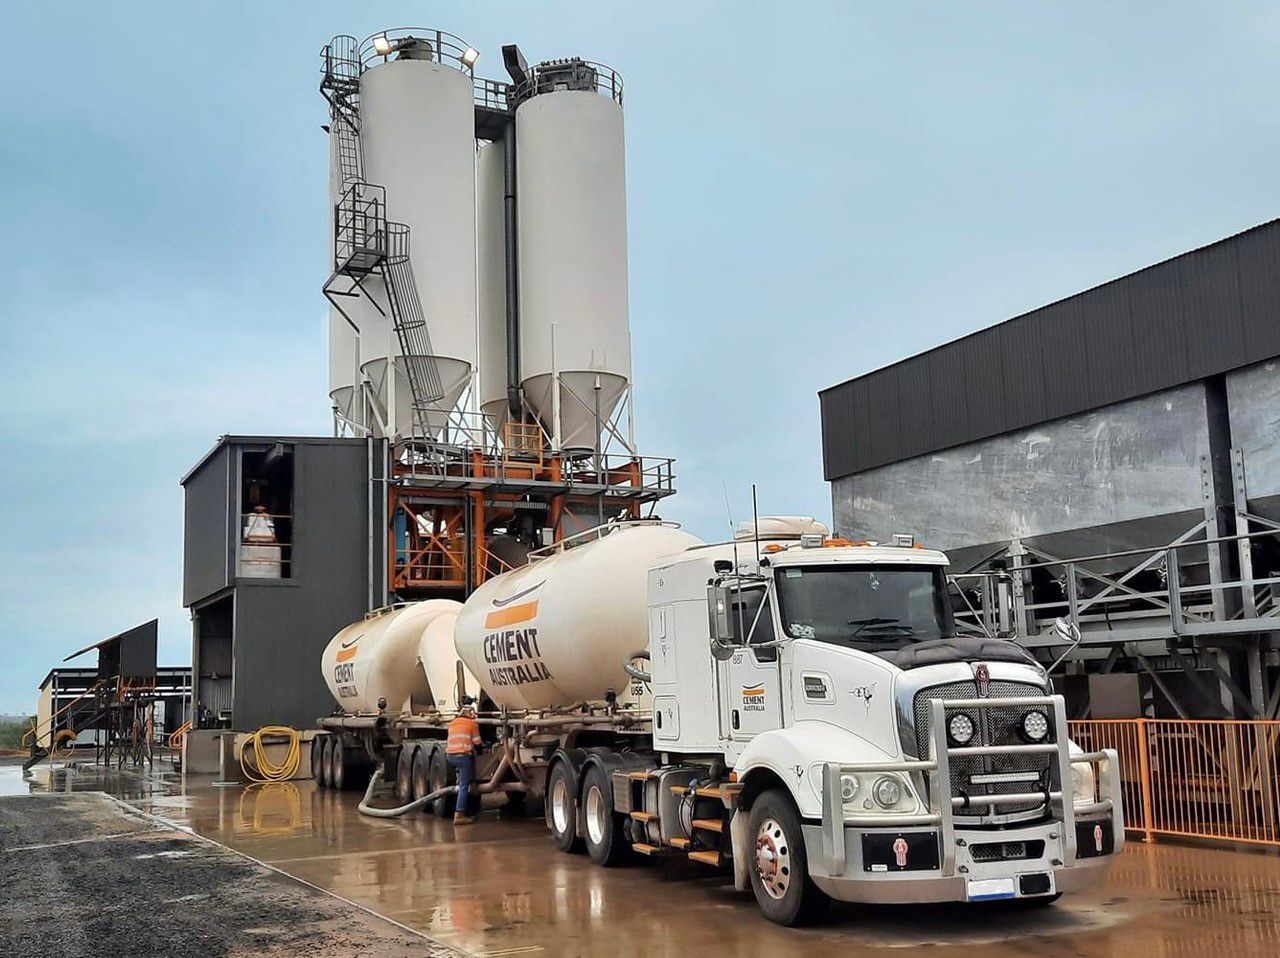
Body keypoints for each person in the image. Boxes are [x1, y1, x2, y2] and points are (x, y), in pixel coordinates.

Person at [446, 696, 483, 825]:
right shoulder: (472, 723)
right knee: (464, 786)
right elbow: (477, 742)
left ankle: (461, 807)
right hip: (462, 756)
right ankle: (459, 815)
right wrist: (481, 751)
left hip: (450, 755)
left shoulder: (453, 722)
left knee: (462, 779)